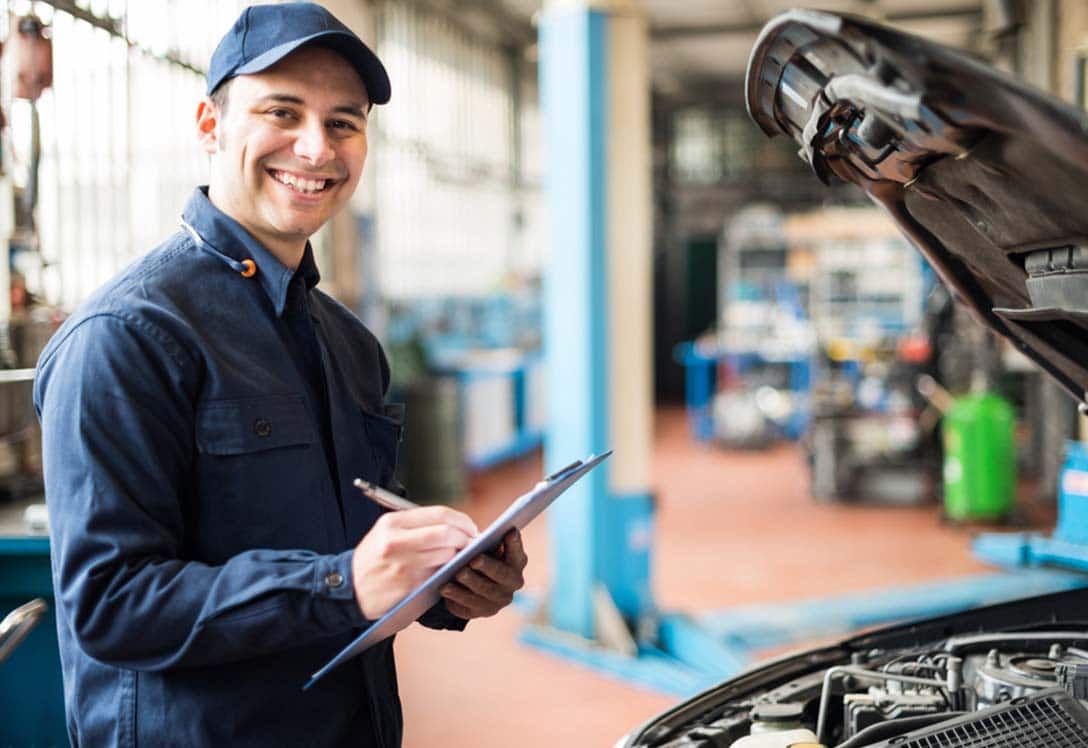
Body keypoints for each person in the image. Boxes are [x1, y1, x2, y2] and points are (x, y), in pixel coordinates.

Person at [33, 4, 527, 746]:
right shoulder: (128, 337)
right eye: (281, 112)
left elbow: (351, 537)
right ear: (210, 125)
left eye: (343, 123)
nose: (314, 148)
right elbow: (110, 604)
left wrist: (445, 584)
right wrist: (340, 584)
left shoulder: (349, 345)